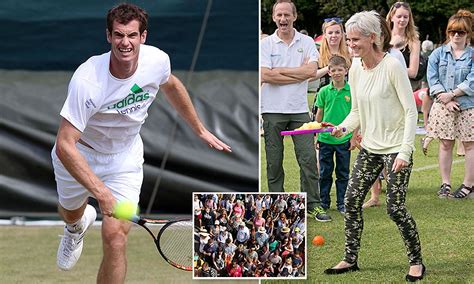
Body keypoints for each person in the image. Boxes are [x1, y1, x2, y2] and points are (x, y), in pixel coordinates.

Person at [51, 3, 231, 283]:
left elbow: (170, 84)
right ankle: (75, 228)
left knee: (115, 236)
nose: (125, 42)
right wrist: (101, 193)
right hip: (79, 154)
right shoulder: (88, 80)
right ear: (109, 36)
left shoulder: (156, 61)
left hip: (124, 158)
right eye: (119, 35)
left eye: (132, 35)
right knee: (70, 211)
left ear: (143, 37)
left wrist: (200, 129)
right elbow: (64, 145)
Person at [324, 11, 425, 282]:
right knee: (351, 200)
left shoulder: (392, 65)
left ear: (372, 38)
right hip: (370, 147)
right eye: (349, 38)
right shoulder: (355, 67)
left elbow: (410, 111)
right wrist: (342, 128)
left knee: (395, 208)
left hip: (395, 148)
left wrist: (405, 151)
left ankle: (416, 261)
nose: (351, 44)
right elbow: (356, 110)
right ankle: (350, 258)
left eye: (356, 39)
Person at [260, 0, 330, 222]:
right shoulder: (265, 44)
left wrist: (279, 71)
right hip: (271, 110)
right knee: (274, 161)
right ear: (273, 17)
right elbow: (265, 76)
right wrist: (297, 73)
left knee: (308, 158)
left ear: (294, 16)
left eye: (287, 15)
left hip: (299, 111)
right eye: (279, 15)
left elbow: (311, 71)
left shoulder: (307, 42)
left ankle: (313, 204)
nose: (283, 19)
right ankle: (276, 206)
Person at [362, 13, 409, 209]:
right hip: (371, 127)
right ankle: (374, 195)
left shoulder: (394, 58)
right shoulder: (359, 62)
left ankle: (392, 194)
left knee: (395, 204)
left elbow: (402, 97)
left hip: (392, 130)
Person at [426, 9, 473, 199]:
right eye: (452, 31)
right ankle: (445, 183)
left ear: (467, 33)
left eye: (460, 32)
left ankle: (468, 184)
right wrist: (445, 99)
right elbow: (432, 78)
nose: (456, 35)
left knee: (470, 145)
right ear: (448, 33)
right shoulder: (437, 54)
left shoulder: (472, 55)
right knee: (445, 144)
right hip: (443, 104)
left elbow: (472, 80)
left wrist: (452, 94)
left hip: (468, 105)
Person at [315, 55, 358, 214]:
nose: (337, 73)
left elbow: (356, 115)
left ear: (346, 71)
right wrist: (316, 134)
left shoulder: (352, 91)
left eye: (340, 69)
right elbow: (319, 114)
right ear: (329, 73)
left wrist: (353, 137)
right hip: (325, 139)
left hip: (344, 140)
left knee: (343, 173)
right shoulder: (324, 91)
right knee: (324, 173)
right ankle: (324, 202)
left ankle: (342, 203)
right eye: (333, 70)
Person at [311, 17, 352, 119]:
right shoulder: (317, 52)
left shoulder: (349, 52)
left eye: (337, 32)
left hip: (345, 95)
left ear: (342, 34)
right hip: (324, 97)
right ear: (324, 35)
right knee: (322, 128)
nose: (334, 36)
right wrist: (329, 68)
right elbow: (310, 77)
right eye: (330, 33)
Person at [387, 1, 422, 91]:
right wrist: (392, 45)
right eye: (399, 16)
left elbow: (413, 72)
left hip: (405, 87)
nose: (402, 20)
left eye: (405, 17)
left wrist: (389, 69)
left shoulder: (414, 41)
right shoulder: (383, 38)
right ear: (391, 17)